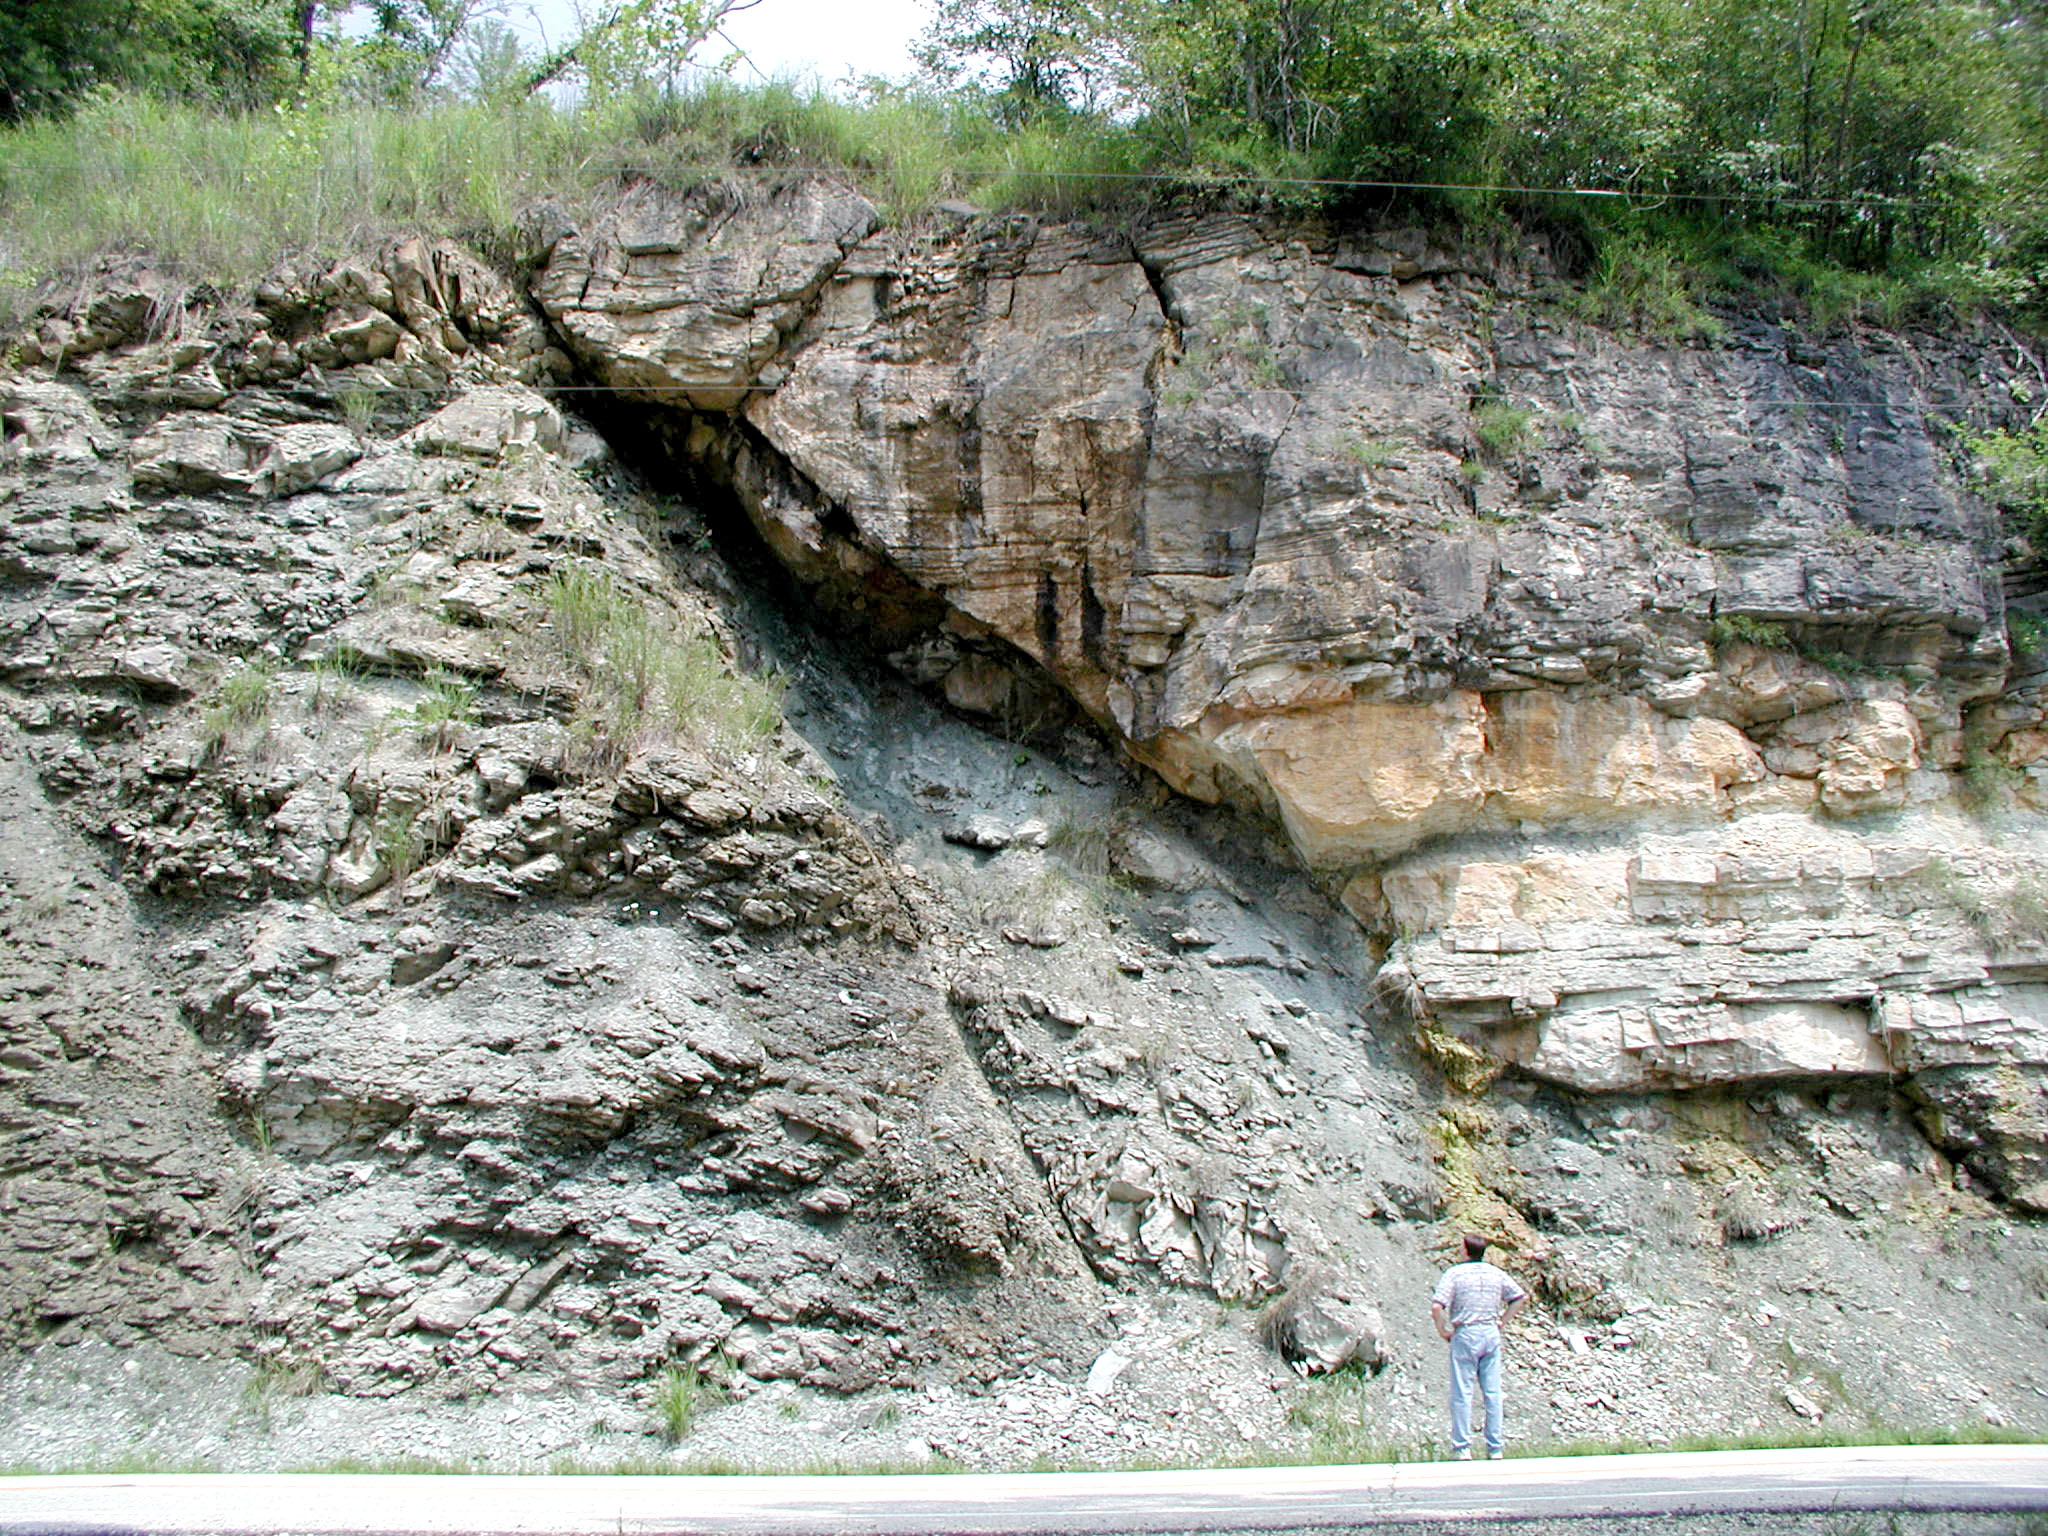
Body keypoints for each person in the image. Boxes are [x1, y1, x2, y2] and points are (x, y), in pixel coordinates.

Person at [1431, 1233, 1528, 1460]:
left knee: (1463, 1392)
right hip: (1490, 1333)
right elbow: (1519, 1297)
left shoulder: (1454, 1274)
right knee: (1493, 1392)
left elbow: (1437, 1307)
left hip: (1466, 1332)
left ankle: (1462, 1447)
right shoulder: (1496, 1273)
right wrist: (1503, 1321)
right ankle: (1495, 1447)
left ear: (1466, 1251)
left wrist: (1443, 1330)